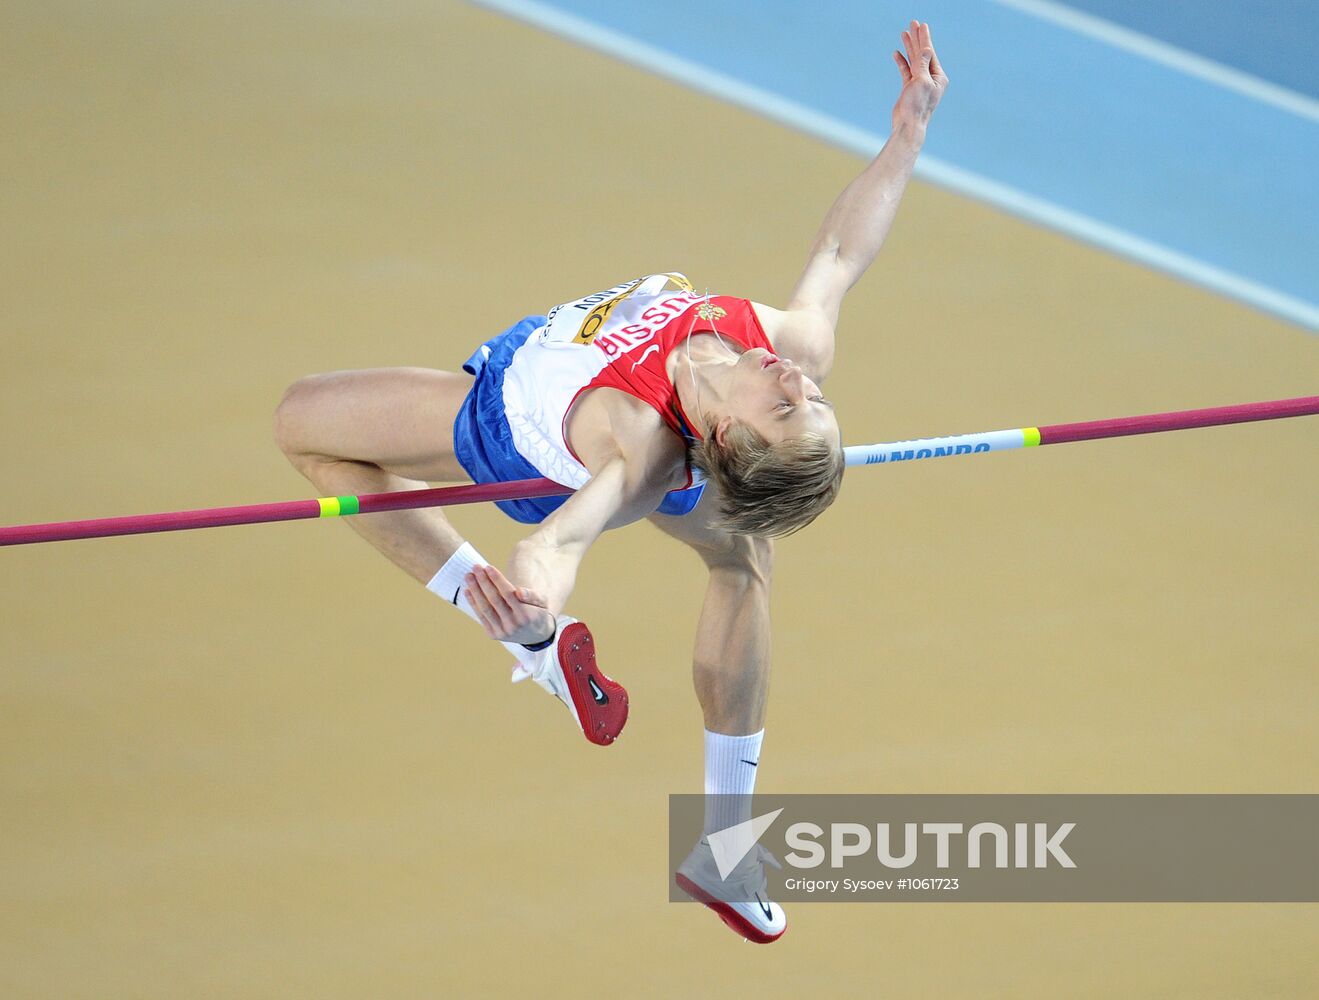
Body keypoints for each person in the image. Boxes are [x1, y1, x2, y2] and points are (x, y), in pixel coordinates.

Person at [273, 21, 947, 943]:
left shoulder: (636, 449)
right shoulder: (783, 346)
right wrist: (905, 136)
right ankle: (722, 851)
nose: (798, 380)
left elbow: (558, 541)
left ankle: (538, 658)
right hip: (585, 392)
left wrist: (534, 613)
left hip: (503, 428)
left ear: (723, 434)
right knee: (740, 555)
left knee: (307, 433)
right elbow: (839, 255)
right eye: (814, 397)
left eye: (789, 409)